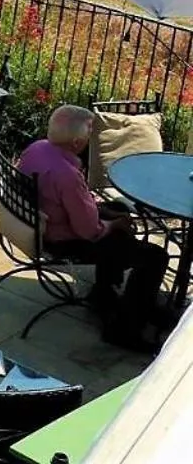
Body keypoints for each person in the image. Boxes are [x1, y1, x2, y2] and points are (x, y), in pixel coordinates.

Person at [18, 104, 168, 350]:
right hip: (62, 242)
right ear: (77, 142)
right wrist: (114, 223)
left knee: (117, 211)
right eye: (90, 132)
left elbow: (76, 205)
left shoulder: (37, 149)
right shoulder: (66, 175)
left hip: (42, 223)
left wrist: (108, 213)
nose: (92, 136)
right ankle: (124, 329)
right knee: (154, 256)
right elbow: (90, 232)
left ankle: (104, 292)